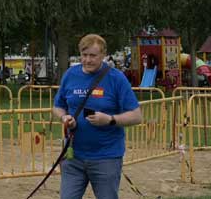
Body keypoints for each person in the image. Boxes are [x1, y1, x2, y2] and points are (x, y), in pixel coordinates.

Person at [52, 34, 143, 199]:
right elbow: (58, 107)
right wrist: (64, 118)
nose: (87, 60)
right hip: (73, 155)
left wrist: (110, 120)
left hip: (106, 157)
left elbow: (136, 116)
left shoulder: (116, 78)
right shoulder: (70, 75)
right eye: (84, 55)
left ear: (103, 55)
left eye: (93, 56)